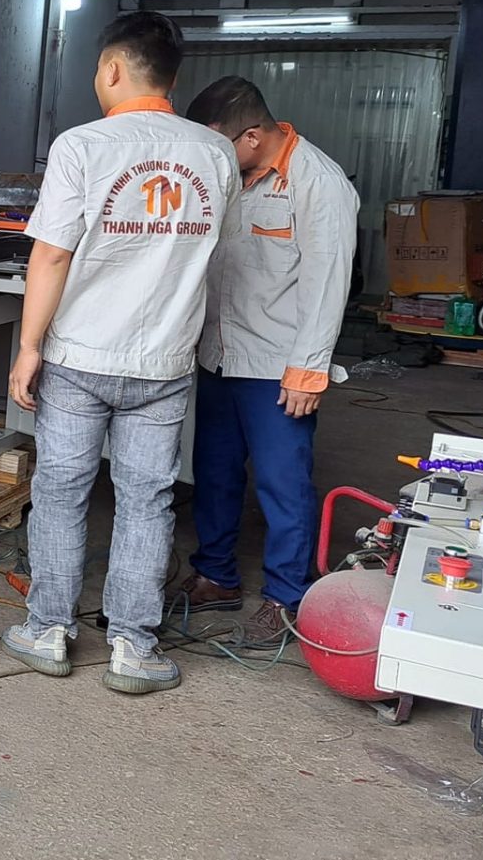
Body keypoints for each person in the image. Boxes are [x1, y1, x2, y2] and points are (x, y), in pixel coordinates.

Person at [3, 11, 238, 694]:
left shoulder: (82, 145)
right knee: (147, 501)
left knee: (61, 491)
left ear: (111, 68)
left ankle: (48, 629)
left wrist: (27, 347)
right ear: (171, 77)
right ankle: (134, 646)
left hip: (80, 356)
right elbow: (213, 253)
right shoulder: (216, 153)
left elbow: (51, 255)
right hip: (165, 360)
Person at [176, 76, 359, 647]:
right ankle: (216, 575)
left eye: (219, 145)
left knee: (283, 484)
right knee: (214, 472)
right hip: (220, 356)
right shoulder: (229, 177)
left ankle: (286, 597)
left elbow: (328, 285)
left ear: (251, 137)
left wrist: (309, 370)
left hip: (279, 367)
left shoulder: (318, 183)